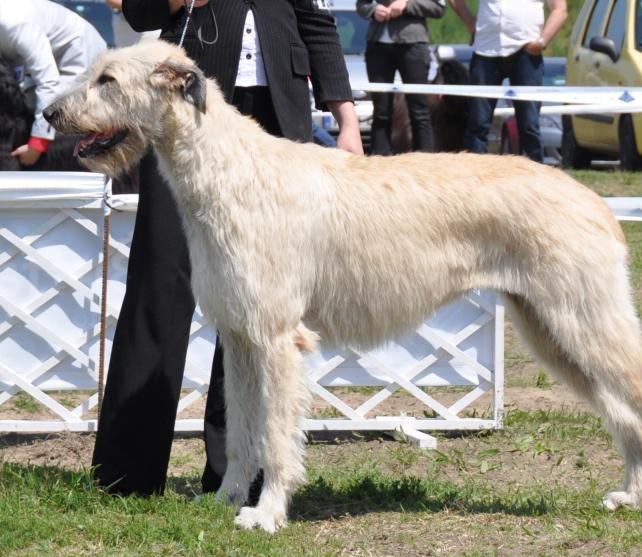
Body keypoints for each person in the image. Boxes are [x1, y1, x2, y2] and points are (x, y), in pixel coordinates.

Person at [92, 0, 363, 500]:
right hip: (186, 109)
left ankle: (236, 475)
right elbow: (139, 9)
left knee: (256, 309)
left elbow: (317, 23)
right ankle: (126, 475)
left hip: (278, 113)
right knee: (160, 282)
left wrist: (345, 116)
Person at [448, 0, 567, 162]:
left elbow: (560, 10)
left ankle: (533, 178)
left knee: (529, 125)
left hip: (527, 52)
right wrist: (469, 22)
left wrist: (542, 42)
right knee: (478, 123)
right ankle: (474, 178)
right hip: (486, 51)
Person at [0, 0, 107, 167]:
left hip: (79, 56)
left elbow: (48, 82)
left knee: (54, 114)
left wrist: (37, 144)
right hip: (44, 60)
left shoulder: (15, 24)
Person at [356, 0, 446, 155]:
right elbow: (361, 4)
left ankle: (426, 164)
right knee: (381, 112)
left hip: (413, 46)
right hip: (377, 46)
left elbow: (438, 8)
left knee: (419, 111)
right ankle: (380, 163)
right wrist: (373, 10)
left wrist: (407, 4)